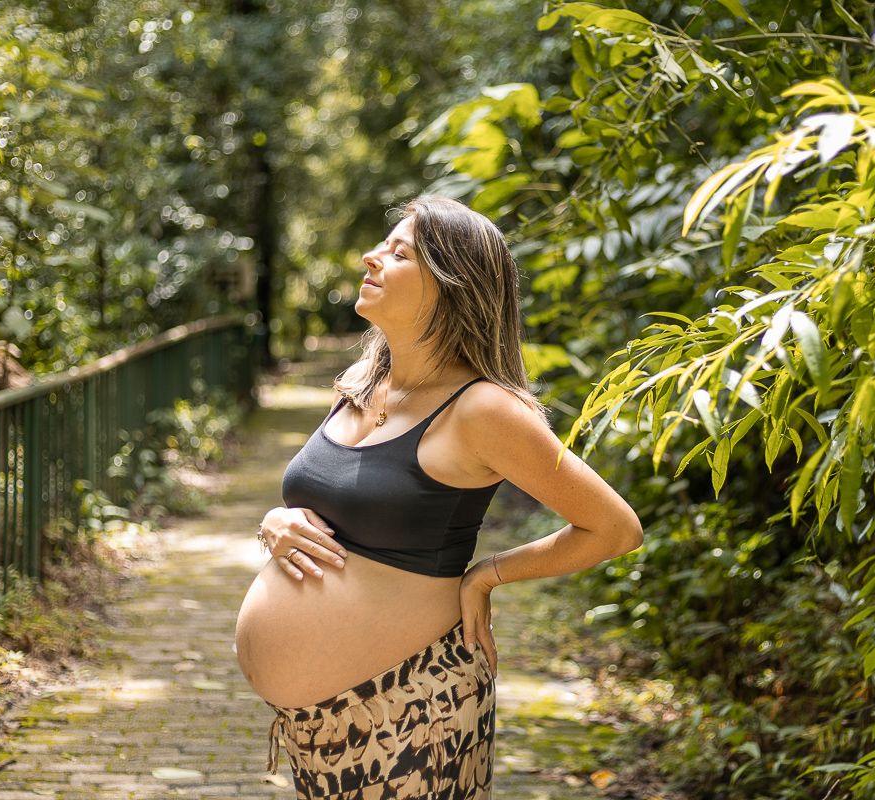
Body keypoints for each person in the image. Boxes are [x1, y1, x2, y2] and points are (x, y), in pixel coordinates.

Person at [233, 195, 643, 799]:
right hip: (318, 726)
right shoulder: (361, 385)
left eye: (399, 253)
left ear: (451, 288)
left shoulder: (483, 409)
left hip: (411, 712)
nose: (371, 257)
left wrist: (487, 576)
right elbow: (329, 501)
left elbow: (614, 528)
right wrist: (273, 521)